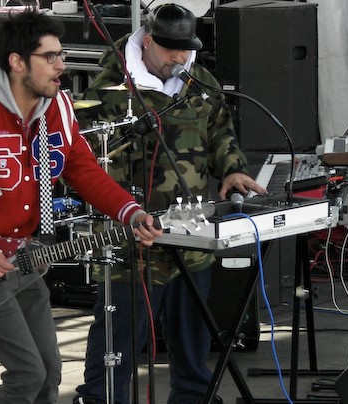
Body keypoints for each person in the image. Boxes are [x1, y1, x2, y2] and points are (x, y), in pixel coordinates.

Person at [0, 9, 162, 404]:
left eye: (61, 55)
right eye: (51, 56)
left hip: (24, 259)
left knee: (49, 373)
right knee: (27, 374)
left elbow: (83, 170)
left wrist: (131, 212)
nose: (62, 65)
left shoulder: (56, 108)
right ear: (17, 62)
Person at [73, 4, 266, 404]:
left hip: (190, 233)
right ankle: (101, 398)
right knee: (119, 340)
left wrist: (232, 169)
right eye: (171, 51)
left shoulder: (199, 79)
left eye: (187, 50)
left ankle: (193, 398)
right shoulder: (107, 91)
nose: (180, 59)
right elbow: (82, 158)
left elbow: (220, 130)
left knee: (193, 337)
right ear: (147, 43)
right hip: (130, 241)